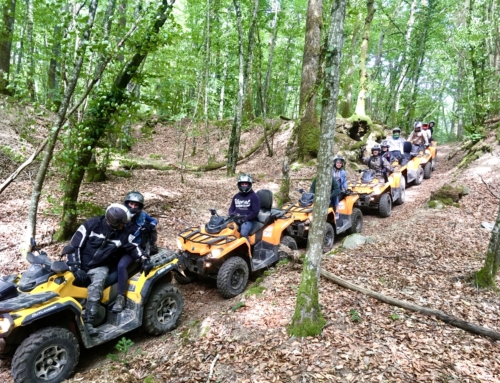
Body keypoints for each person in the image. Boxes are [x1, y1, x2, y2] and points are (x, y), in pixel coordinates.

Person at [68, 204, 143, 336]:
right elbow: (74, 245)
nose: (123, 226)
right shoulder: (91, 224)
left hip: (99, 267)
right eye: (121, 223)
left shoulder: (123, 233)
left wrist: (144, 258)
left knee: (96, 286)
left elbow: (133, 246)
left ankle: (89, 322)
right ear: (114, 221)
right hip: (79, 263)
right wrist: (75, 267)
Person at [112, 191, 158, 313]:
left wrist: (149, 226)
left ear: (140, 207)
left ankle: (120, 297)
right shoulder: (121, 214)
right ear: (127, 203)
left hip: (134, 248)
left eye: (136, 205)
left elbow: (154, 221)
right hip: (118, 245)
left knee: (121, 266)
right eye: (131, 204)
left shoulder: (143, 215)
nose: (133, 207)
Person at [228, 174, 260, 242]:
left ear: (249, 184)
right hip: (236, 219)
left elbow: (255, 211)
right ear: (239, 185)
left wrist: (246, 218)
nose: (244, 185)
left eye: (246, 184)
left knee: (243, 233)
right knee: (226, 230)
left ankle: (248, 250)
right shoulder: (236, 196)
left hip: (248, 220)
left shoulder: (254, 196)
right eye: (242, 184)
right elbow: (231, 208)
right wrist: (231, 215)